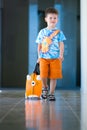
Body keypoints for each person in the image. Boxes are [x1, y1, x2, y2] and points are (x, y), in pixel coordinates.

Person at [36, 7, 66, 101]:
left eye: (55, 18)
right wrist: (39, 56)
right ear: (46, 19)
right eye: (50, 18)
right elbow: (39, 45)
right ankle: (45, 88)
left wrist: (61, 55)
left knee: (54, 76)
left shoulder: (59, 33)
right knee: (43, 75)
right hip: (44, 57)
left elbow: (61, 44)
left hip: (55, 58)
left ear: (57, 19)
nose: (53, 20)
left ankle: (52, 93)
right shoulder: (42, 32)